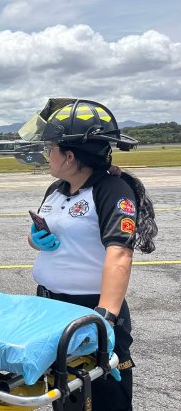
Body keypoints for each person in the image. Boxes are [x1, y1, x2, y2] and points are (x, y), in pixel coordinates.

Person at [19, 98, 157, 411]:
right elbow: (46, 234)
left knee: (104, 400)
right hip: (51, 307)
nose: (46, 153)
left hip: (90, 311)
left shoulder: (112, 189)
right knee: (65, 399)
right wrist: (37, 239)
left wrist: (104, 317)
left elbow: (120, 253)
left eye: (50, 147)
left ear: (69, 156)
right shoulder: (57, 189)